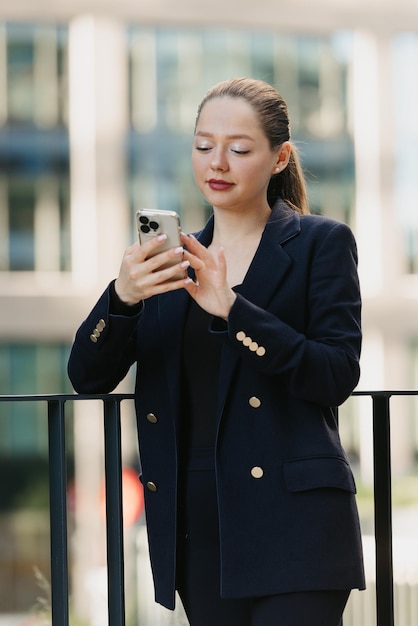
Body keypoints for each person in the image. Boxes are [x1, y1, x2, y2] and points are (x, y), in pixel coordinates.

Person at [68, 77, 365, 626]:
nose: (217, 163)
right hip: (197, 530)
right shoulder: (169, 262)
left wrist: (234, 310)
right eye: (204, 146)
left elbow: (336, 374)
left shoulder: (321, 243)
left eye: (239, 148)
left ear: (279, 158)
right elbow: (86, 377)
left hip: (295, 525)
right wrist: (124, 298)